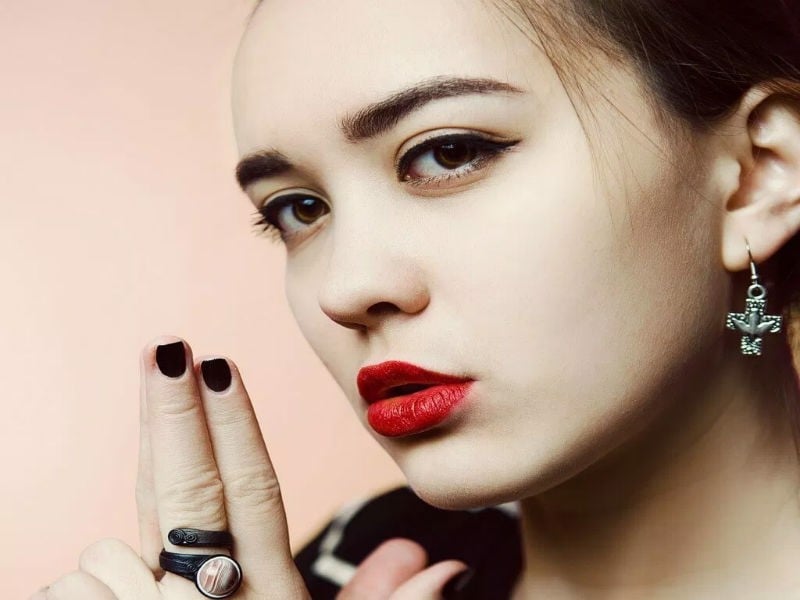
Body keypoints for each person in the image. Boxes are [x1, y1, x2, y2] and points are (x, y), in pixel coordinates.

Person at [31, 0, 800, 598]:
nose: (346, 288)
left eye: (448, 152)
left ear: (759, 174)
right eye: (298, 209)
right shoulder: (347, 567)